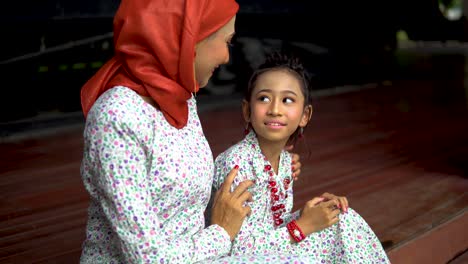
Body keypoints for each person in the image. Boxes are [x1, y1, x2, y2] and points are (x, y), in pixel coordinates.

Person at [78, 0, 303, 263]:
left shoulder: (181, 97)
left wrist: (269, 166)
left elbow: (176, 186)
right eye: (226, 42)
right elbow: (148, 258)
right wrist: (220, 234)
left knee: (338, 223)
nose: (227, 57)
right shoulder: (117, 117)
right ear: (190, 39)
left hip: (202, 254)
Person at [210, 53, 390, 263]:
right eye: (264, 98)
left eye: (287, 100)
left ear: (305, 115)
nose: (275, 110)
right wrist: (303, 226)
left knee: (339, 216)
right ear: (247, 111)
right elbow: (235, 246)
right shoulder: (237, 164)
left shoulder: (285, 161)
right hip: (234, 258)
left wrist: (312, 213)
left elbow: (273, 226)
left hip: (271, 249)